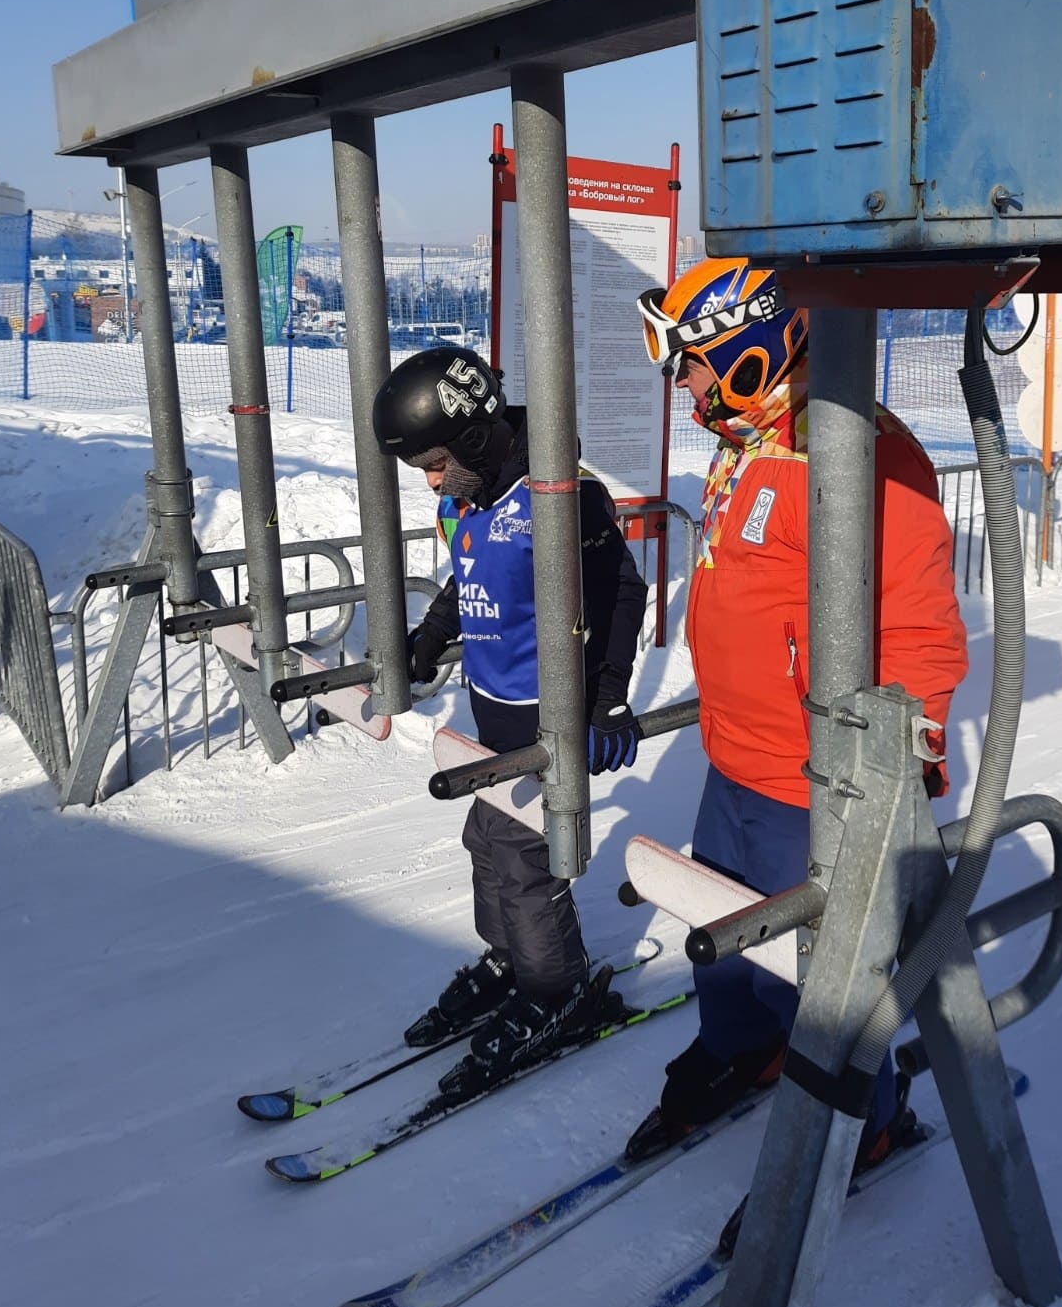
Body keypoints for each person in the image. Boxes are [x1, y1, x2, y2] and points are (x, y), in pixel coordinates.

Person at [627, 259, 970, 1170]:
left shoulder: (861, 450)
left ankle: (865, 1114)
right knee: (722, 931)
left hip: (810, 775)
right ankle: (743, 1045)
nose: (682, 383)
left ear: (745, 347)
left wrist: (909, 754)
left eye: (691, 362)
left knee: (820, 967)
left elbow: (919, 622)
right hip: (734, 755)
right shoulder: (748, 437)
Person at [372, 345, 649, 1084]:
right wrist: (432, 634)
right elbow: (467, 573)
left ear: (471, 439)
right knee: (485, 841)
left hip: (546, 716)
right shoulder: (468, 499)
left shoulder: (558, 499)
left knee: (526, 863)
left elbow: (622, 591)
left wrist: (608, 696)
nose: (431, 482)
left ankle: (556, 988)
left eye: (435, 464)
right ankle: (510, 959)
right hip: (491, 714)